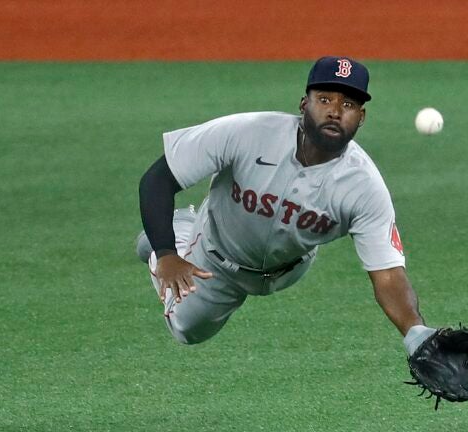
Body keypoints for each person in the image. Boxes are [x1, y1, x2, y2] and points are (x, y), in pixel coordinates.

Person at [137, 56, 436, 356]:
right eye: (324, 99)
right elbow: (159, 179)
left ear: (361, 117)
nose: (334, 111)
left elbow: (388, 273)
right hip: (216, 257)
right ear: (304, 104)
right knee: (187, 328)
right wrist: (166, 255)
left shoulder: (364, 186)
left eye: (348, 105)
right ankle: (174, 233)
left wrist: (416, 333)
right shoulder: (247, 133)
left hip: (289, 268)